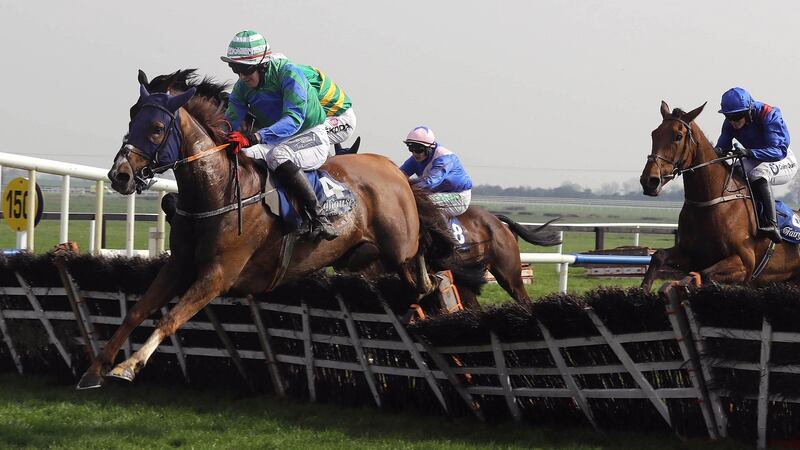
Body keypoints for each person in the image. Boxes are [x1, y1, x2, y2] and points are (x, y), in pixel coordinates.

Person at [221, 30, 337, 240]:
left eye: (246, 70)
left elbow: (294, 119)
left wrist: (254, 137)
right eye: (235, 69)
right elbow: (230, 122)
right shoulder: (241, 88)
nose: (242, 77)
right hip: (275, 139)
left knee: (278, 156)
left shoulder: (289, 74)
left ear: (263, 64)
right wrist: (219, 140)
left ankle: (318, 216)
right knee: (243, 155)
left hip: (311, 134)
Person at [715, 87, 797, 243]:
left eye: (737, 116)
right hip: (755, 157)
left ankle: (772, 223)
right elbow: (722, 148)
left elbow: (778, 151)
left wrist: (750, 153)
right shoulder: (730, 123)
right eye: (729, 117)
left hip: (783, 159)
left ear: (749, 110)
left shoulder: (768, 114)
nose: (733, 122)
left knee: (759, 173)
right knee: (734, 171)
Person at [399, 126, 473, 217]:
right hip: (437, 193)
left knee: (421, 203)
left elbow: (430, 183)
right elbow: (399, 176)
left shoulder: (444, 158)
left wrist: (405, 190)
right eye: (411, 148)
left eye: (418, 149)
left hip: (459, 195)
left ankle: (444, 231)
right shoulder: (414, 159)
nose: (414, 153)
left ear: (429, 148)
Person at [297, 64, 359, 155]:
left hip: (340, 119)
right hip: (325, 117)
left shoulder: (293, 76)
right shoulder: (287, 72)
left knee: (293, 142)